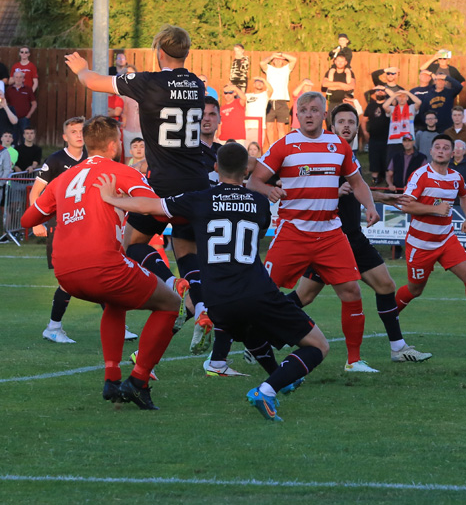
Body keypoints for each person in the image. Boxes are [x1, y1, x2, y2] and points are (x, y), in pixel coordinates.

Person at [96, 141, 329, 420]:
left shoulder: (200, 199)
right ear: (245, 171)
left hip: (216, 298)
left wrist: (113, 199)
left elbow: (150, 206)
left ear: (216, 168)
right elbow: (260, 228)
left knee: (249, 331)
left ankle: (258, 366)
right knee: (318, 346)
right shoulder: (258, 202)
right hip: (255, 289)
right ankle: (267, 389)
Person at [21, 116, 189, 410]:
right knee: (171, 304)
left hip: (65, 274)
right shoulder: (121, 172)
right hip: (102, 265)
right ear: (114, 145)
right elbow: (158, 212)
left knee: (116, 302)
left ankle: (112, 377)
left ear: (86, 144)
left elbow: (27, 220)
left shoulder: (64, 178)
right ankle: (138, 381)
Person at [64, 24, 212, 353]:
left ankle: (173, 284)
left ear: (159, 50)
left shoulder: (150, 82)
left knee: (132, 244)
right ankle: (200, 307)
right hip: (197, 182)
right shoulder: (198, 85)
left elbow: (93, 82)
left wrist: (81, 69)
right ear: (186, 52)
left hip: (163, 184)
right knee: (187, 251)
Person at [248, 91, 381, 373]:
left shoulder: (338, 146)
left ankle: (354, 361)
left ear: (324, 116)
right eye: (304, 110)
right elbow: (254, 181)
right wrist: (268, 188)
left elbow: (357, 183)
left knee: (351, 291)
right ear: (297, 115)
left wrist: (370, 206)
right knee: (263, 292)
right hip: (293, 231)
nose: (308, 114)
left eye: (314, 110)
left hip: (330, 233)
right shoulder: (284, 145)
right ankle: (249, 345)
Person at [297, 105, 432, 364]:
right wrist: (333, 191)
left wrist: (384, 198)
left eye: (351, 122)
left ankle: (398, 347)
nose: (346, 125)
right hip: (329, 239)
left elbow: (356, 189)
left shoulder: (350, 155)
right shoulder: (324, 153)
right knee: (307, 295)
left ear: (357, 128)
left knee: (385, 285)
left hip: (353, 236)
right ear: (332, 126)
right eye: (341, 122)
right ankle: (262, 334)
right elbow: (306, 186)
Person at [395, 134, 466, 341]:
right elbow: (405, 204)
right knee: (415, 290)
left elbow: (465, 194)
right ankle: (390, 315)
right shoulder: (420, 176)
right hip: (421, 244)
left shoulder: (455, 177)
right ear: (431, 152)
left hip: (446, 240)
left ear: (452, 154)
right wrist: (434, 209)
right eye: (437, 147)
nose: (441, 150)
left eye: (446, 147)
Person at [29, 116, 88, 343]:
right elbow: (36, 193)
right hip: (62, 226)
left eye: (82, 130)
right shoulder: (54, 160)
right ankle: (53, 327)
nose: (79, 134)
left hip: (88, 225)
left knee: (102, 270)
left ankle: (117, 326)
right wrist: (36, 221)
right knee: (70, 279)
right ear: (65, 137)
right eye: (74, 131)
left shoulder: (92, 159)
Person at [260, 51, 298, 149]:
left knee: (281, 126)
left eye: (280, 59)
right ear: (272, 61)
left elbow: (294, 59)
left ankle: (282, 147)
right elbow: (262, 63)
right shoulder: (269, 69)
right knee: (269, 126)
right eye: (275, 59)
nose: (278, 60)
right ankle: (272, 147)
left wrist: (282, 54)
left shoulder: (286, 69)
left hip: (282, 100)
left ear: (283, 61)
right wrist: (272, 55)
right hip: (270, 100)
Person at [383, 89, 421, 159]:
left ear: (407, 98)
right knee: (391, 164)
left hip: (408, 140)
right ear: (397, 98)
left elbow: (419, 102)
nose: (402, 98)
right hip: (393, 141)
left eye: (404, 97)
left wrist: (407, 92)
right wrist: (394, 95)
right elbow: (385, 106)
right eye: (399, 97)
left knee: (407, 163)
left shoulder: (411, 108)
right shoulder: (392, 109)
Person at [244, 77, 271, 148]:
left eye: (261, 82)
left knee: (256, 150)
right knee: (246, 150)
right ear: (253, 84)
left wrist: (264, 80)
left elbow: (271, 90)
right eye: (257, 81)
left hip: (259, 127)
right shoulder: (247, 95)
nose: (259, 83)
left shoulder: (265, 95)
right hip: (246, 127)